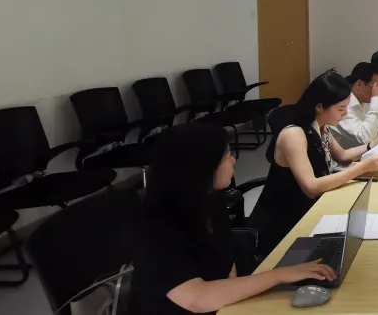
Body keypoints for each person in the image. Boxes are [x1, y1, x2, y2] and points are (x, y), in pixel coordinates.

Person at [132, 123, 337, 314]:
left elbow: (228, 268)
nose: (234, 160)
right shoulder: (156, 227)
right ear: (201, 166)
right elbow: (196, 297)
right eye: (227, 155)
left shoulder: (212, 202)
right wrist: (279, 275)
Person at [249, 71, 378, 257]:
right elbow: (311, 187)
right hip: (285, 224)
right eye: (341, 109)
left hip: (312, 208)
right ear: (319, 106)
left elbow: (343, 156)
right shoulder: (294, 134)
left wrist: (373, 144)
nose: (345, 113)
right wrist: (362, 168)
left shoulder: (321, 126)